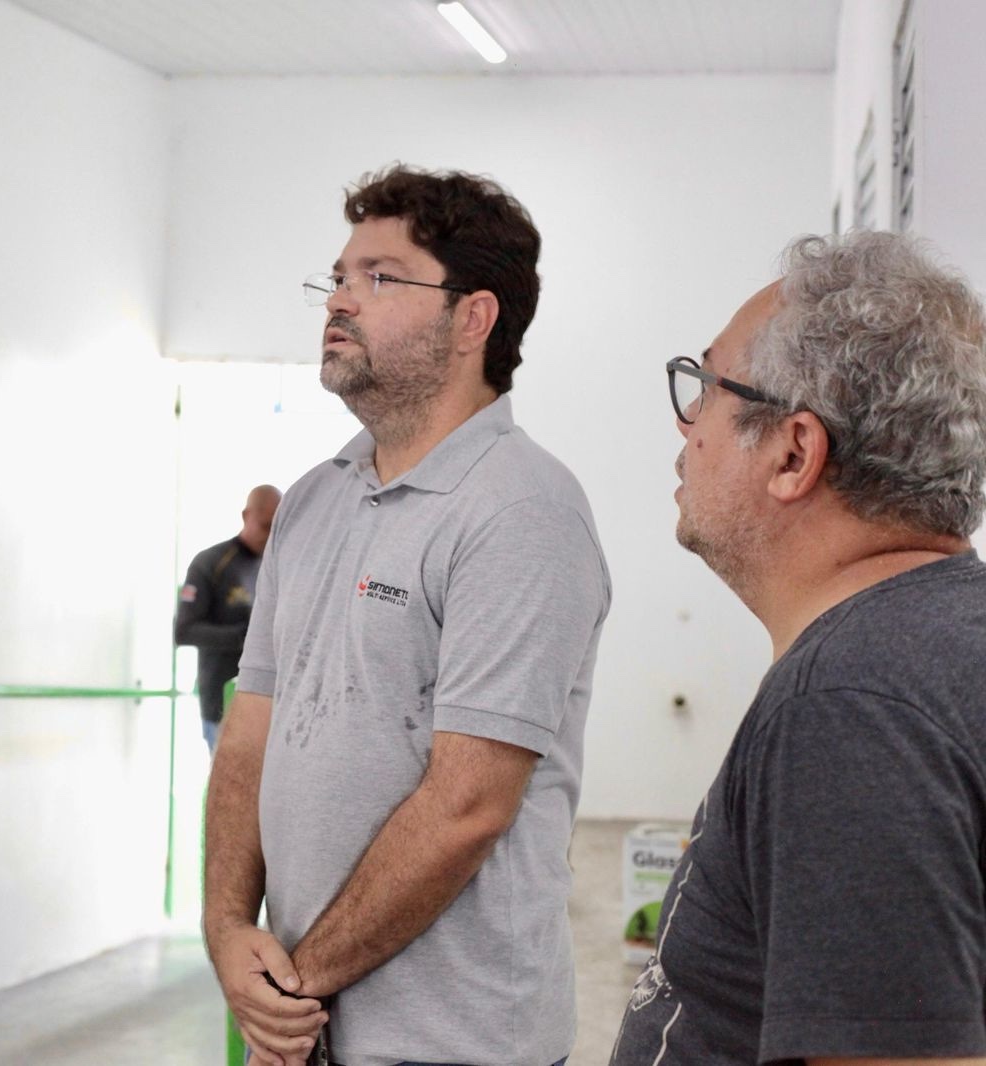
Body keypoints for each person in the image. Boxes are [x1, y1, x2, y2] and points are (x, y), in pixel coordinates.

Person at [204, 164, 610, 1066]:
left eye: (379, 277)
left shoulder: (522, 511)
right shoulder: (312, 501)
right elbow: (249, 738)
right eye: (337, 277)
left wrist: (294, 990)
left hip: (459, 1043)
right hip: (311, 1029)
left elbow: (467, 805)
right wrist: (229, 931)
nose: (339, 301)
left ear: (473, 319)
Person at [612, 232, 986, 1064]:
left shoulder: (850, 706)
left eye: (708, 387)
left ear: (793, 453)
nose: (685, 423)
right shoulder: (939, 641)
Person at [176, 484, 282, 752]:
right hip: (221, 705)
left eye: (277, 528)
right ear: (246, 516)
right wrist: (245, 636)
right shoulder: (211, 562)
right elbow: (184, 630)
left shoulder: (274, 567)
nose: (270, 536)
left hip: (268, 707)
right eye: (265, 526)